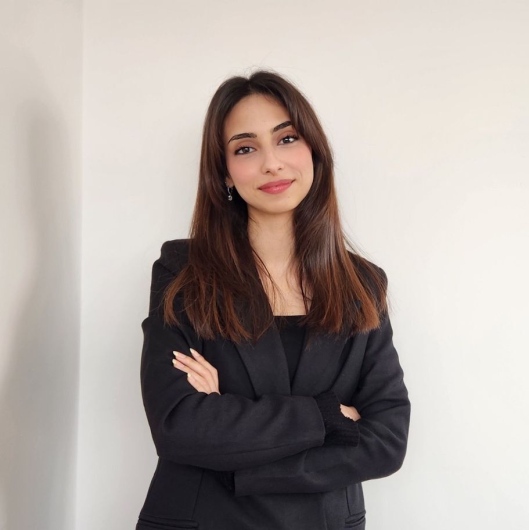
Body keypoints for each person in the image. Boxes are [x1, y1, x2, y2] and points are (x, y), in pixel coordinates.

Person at [136, 71, 410, 530]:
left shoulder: (364, 284)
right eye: (245, 149)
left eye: (286, 139)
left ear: (314, 152)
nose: (271, 163)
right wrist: (329, 416)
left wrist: (235, 440)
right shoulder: (183, 270)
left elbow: (387, 440)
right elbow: (179, 425)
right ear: (224, 171)